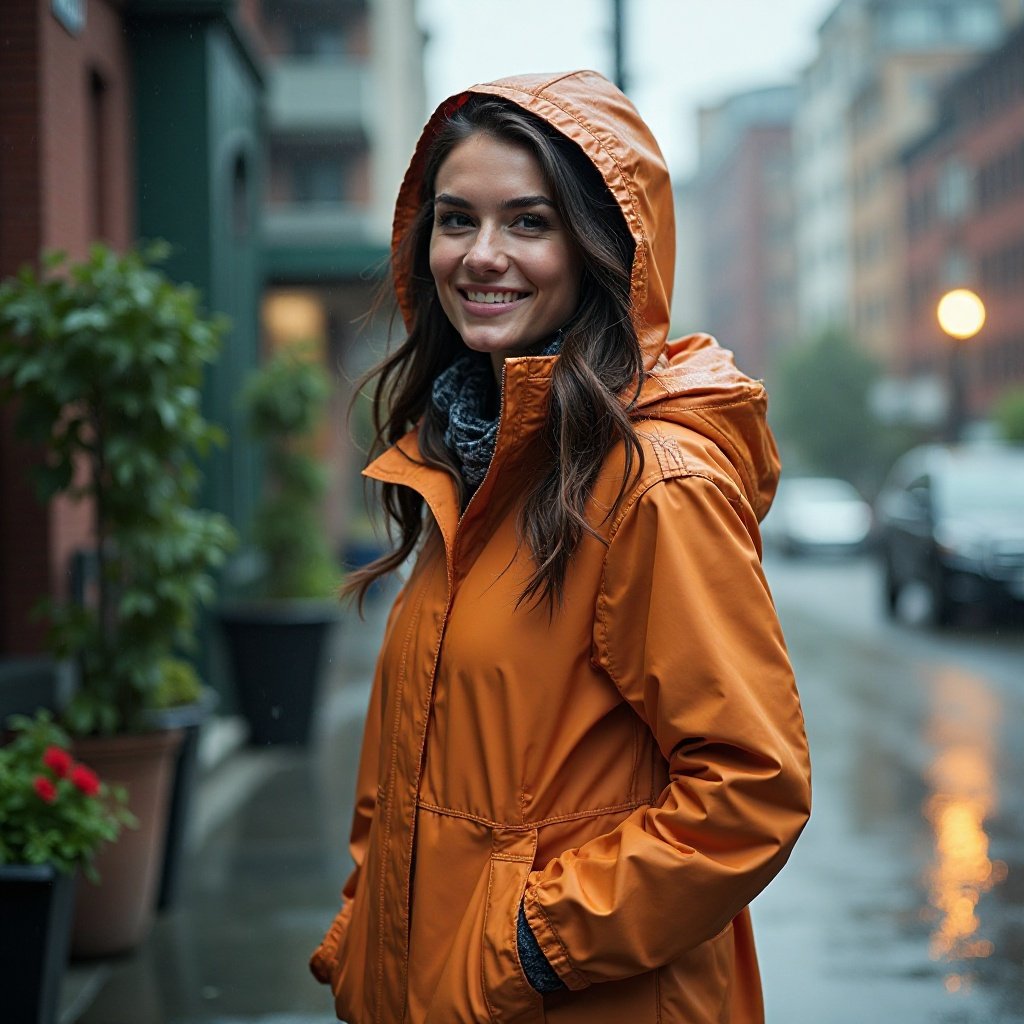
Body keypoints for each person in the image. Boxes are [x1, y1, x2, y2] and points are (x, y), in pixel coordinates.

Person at [311, 70, 811, 1024]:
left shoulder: (653, 484)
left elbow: (751, 791)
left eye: (528, 223)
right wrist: (362, 937)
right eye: (455, 220)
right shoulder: (475, 461)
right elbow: (408, 772)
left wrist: (531, 944)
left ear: (599, 250)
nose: (481, 255)